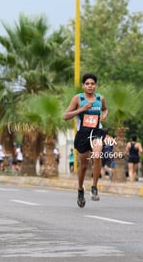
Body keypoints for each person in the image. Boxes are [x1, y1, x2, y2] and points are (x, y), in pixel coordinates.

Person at [63, 73, 108, 208]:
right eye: (87, 84)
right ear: (83, 86)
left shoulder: (100, 98)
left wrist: (104, 115)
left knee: (97, 155)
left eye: (92, 84)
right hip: (83, 133)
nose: (90, 86)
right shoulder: (78, 98)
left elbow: (105, 109)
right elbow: (65, 116)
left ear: (96, 85)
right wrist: (82, 109)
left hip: (97, 132)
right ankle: (80, 189)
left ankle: (94, 187)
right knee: (83, 166)